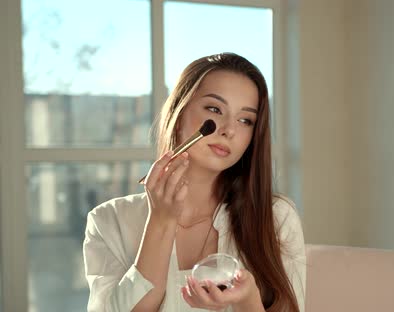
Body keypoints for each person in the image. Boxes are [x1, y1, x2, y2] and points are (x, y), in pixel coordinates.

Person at [83, 53, 306, 311]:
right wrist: (161, 221)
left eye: (245, 120)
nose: (229, 130)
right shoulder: (108, 221)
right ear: (178, 116)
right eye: (214, 109)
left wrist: (248, 299)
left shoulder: (277, 217)